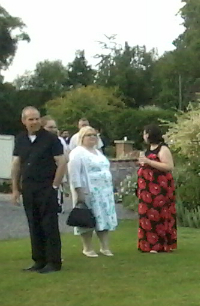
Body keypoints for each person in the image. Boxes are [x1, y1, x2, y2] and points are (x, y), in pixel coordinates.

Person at [10, 107, 67, 273]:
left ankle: (53, 262)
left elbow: (62, 163)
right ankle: (39, 260)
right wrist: (15, 189)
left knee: (49, 224)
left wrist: (54, 186)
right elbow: (16, 164)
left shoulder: (50, 139)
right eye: (31, 119)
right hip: (29, 187)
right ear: (24, 121)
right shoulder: (20, 139)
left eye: (36, 119)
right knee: (33, 224)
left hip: (46, 187)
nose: (34, 122)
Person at [68, 126, 119, 257]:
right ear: (81, 138)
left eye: (94, 135)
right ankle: (88, 248)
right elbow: (74, 174)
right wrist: (79, 191)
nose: (92, 137)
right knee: (87, 218)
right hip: (88, 192)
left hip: (104, 192)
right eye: (88, 135)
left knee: (104, 218)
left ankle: (104, 246)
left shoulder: (98, 152)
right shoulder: (77, 153)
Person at [136, 124, 177, 253]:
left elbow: (168, 166)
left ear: (149, 134)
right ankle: (147, 244)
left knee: (158, 214)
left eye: (144, 133)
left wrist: (149, 162)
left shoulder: (163, 149)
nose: (143, 136)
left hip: (159, 187)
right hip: (147, 188)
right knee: (147, 214)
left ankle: (159, 244)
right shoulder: (148, 149)